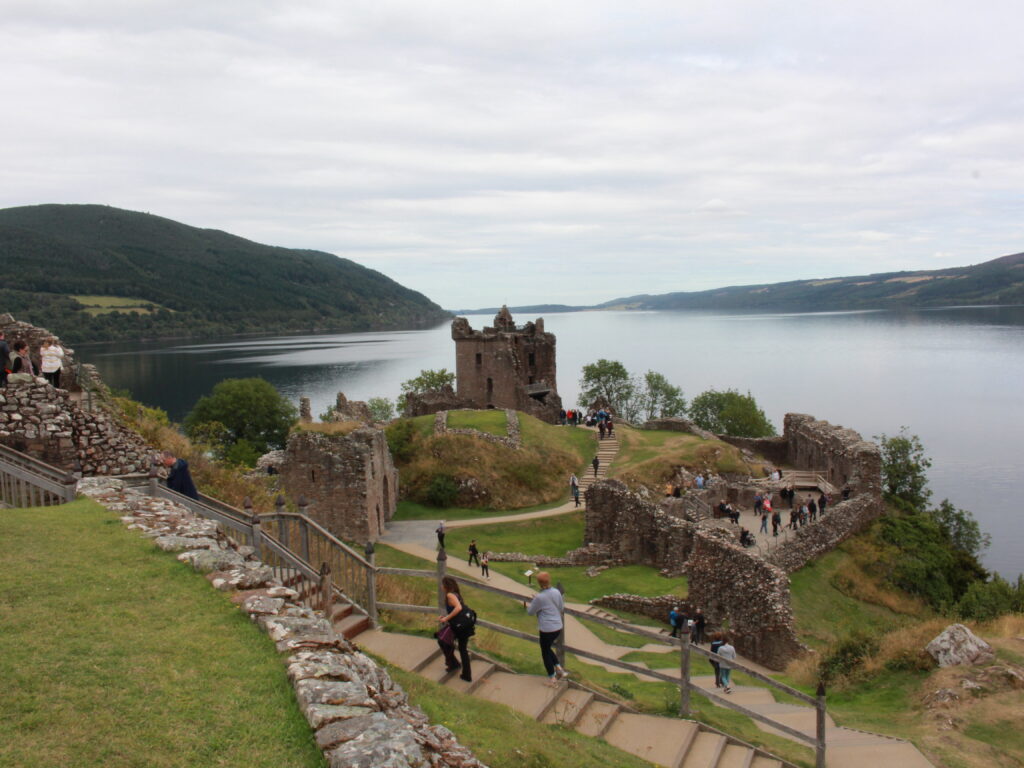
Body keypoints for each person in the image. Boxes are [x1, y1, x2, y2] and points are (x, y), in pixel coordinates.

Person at [526, 571, 569, 686]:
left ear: (539, 583)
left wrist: (535, 601)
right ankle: (559, 667)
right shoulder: (556, 592)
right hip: (558, 627)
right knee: (547, 648)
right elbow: (561, 607)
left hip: (546, 629)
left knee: (545, 652)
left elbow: (530, 612)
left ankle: (552, 677)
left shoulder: (540, 597)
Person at [438, 576, 473, 682]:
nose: (441, 586)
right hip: (465, 625)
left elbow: (458, 608)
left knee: (442, 640)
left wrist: (446, 619)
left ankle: (453, 664)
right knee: (462, 649)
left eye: (442, 584)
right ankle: (466, 675)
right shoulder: (456, 594)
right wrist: (445, 618)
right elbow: (456, 610)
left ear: (446, 586)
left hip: (458, 627)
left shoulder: (450, 595)